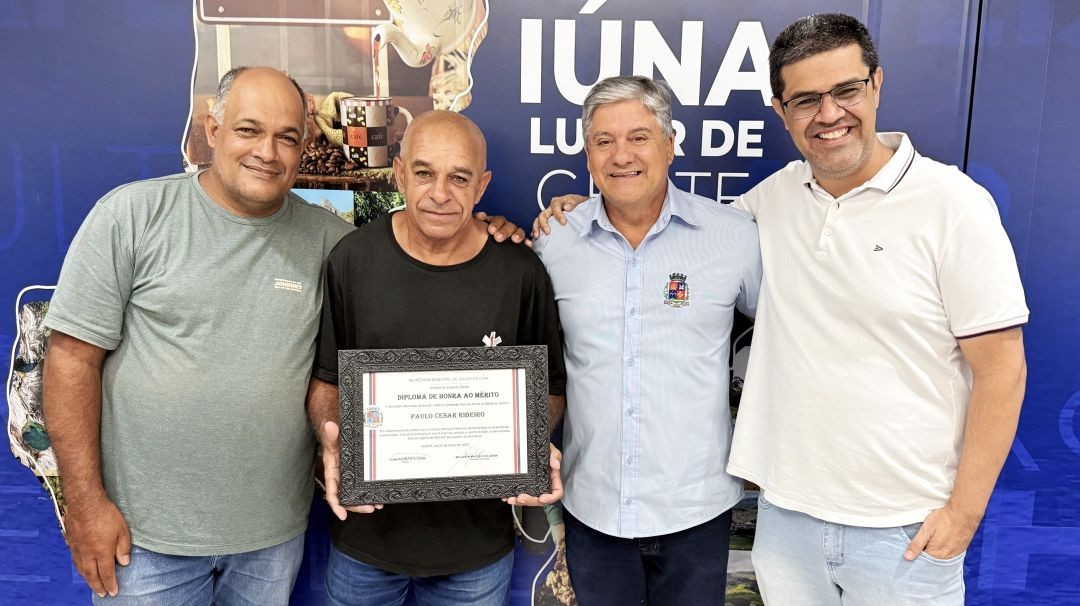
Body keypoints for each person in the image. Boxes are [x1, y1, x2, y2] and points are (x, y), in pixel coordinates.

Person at [536, 14, 1028, 605]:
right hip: (786, 519)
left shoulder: (953, 204)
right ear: (781, 109)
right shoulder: (767, 205)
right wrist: (553, 215)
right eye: (806, 99)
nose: (829, 113)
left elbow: (1003, 368)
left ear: (876, 84)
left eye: (846, 90)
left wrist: (965, 513)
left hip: (901, 527)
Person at [40, 67, 355, 603]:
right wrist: (85, 503)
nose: (267, 152)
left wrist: (483, 233)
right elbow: (71, 360)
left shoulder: (332, 242)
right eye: (249, 130)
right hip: (141, 541)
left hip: (271, 540)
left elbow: (410, 272)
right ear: (213, 129)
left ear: (304, 147)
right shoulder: (131, 215)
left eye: (286, 137)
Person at [305, 110, 567, 606]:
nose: (440, 193)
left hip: (476, 553)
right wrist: (331, 438)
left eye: (459, 178)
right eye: (424, 173)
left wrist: (528, 440)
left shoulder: (520, 272)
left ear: (482, 186)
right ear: (399, 173)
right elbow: (327, 381)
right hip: (365, 543)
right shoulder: (352, 260)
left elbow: (551, 389)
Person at [530, 75, 761, 605]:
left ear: (670, 144)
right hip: (594, 509)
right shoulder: (554, 240)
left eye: (639, 137)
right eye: (604, 141)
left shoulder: (734, 237)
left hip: (696, 510)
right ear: (588, 154)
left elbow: (787, 334)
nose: (621, 155)